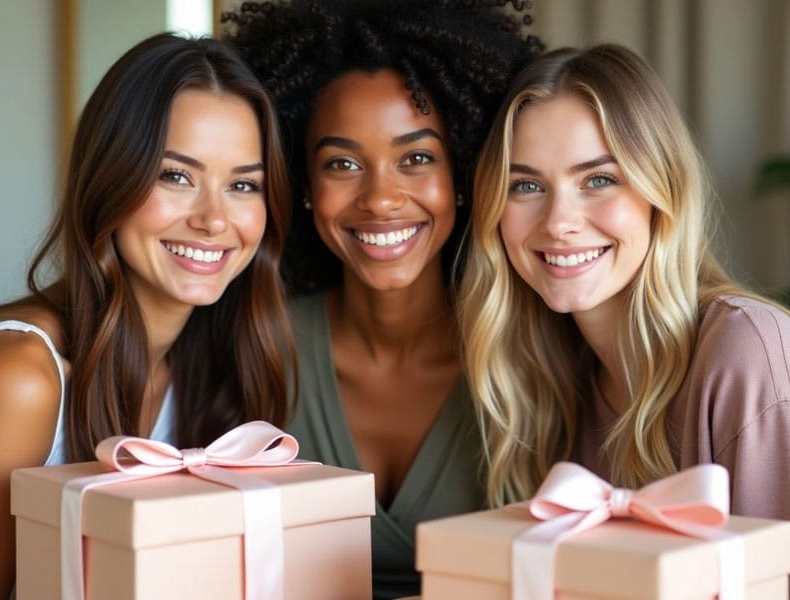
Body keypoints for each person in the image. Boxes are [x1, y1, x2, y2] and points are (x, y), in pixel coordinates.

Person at [223, 1, 543, 597]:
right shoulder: (257, 345)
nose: (380, 199)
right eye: (342, 163)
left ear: (467, 174)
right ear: (304, 183)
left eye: (416, 158)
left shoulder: (535, 355)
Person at [0, 32, 294, 598]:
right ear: (112, 178)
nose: (213, 219)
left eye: (243, 185)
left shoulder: (216, 360)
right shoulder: (22, 378)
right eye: (175, 175)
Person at [460, 43, 790, 519]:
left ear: (663, 188)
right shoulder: (550, 382)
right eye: (526, 186)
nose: (558, 222)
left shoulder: (747, 352)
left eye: (598, 180)